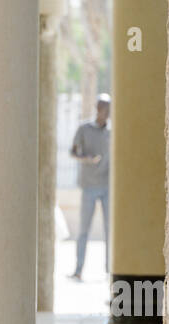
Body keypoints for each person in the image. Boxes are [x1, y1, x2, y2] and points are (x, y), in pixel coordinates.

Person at [68, 93, 111, 280]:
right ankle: (78, 270)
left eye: (108, 110)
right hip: (89, 186)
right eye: (102, 109)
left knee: (110, 231)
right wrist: (85, 159)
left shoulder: (112, 132)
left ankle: (111, 272)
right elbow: (73, 152)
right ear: (97, 109)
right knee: (84, 230)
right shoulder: (84, 129)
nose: (105, 114)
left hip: (108, 186)